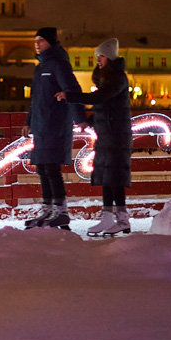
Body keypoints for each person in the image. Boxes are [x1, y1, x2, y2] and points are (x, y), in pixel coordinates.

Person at [57, 38, 133, 236]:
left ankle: (122, 219)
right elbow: (103, 108)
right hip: (107, 135)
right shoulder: (107, 79)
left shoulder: (117, 78)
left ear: (109, 57)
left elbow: (100, 99)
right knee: (107, 177)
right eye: (97, 56)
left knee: (114, 177)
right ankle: (108, 217)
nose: (98, 60)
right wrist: (87, 122)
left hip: (117, 136)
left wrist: (70, 96)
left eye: (101, 56)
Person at [23, 27, 85, 229]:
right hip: (41, 126)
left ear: (51, 42)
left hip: (55, 124)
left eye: (41, 40)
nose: (37, 44)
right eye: (35, 40)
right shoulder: (40, 67)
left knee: (51, 167)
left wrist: (80, 118)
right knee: (41, 166)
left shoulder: (59, 64)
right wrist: (28, 122)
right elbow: (35, 99)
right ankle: (48, 210)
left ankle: (61, 211)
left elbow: (72, 90)